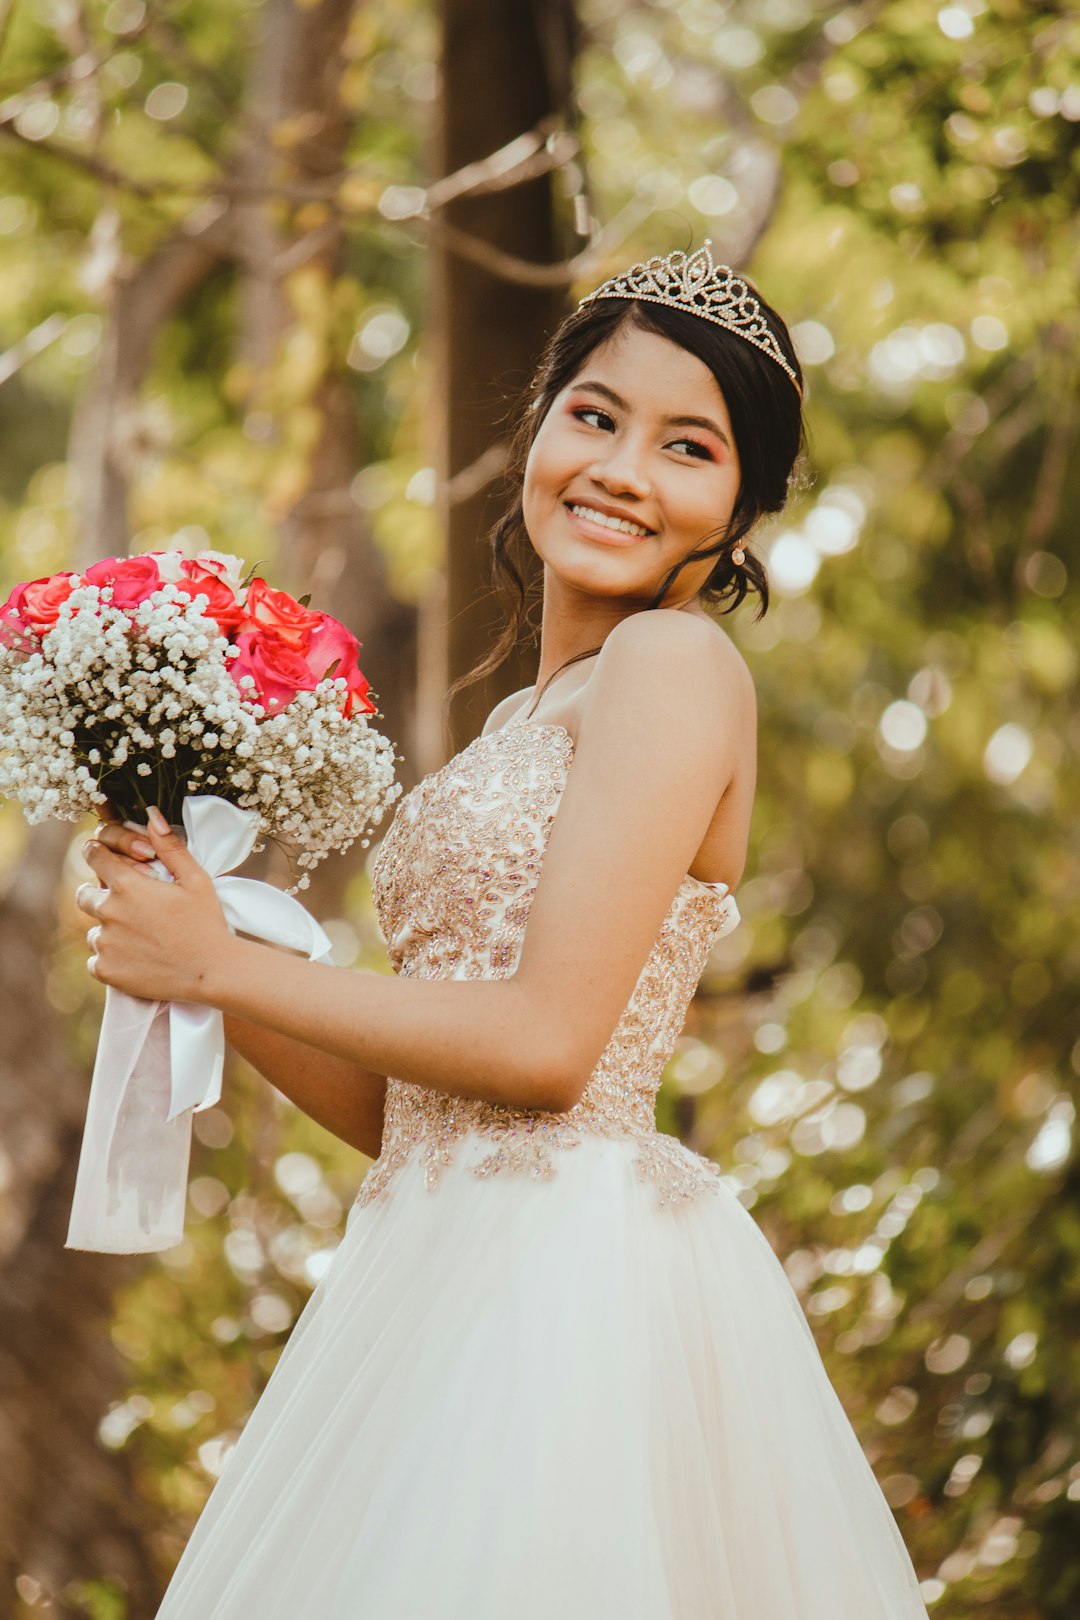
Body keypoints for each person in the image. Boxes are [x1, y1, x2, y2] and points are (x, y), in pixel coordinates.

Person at [78, 244, 930, 1618]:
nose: (620, 469)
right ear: (537, 429)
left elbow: (544, 1047)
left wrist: (228, 962)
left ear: (741, 510)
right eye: (593, 415)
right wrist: (201, 956)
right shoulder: (515, 724)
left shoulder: (675, 665)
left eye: (687, 447)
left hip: (566, 1287)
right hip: (429, 1266)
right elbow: (405, 1107)